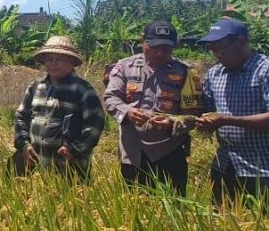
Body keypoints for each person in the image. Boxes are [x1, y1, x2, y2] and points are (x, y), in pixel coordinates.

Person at [104, 21, 202, 195]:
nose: (160, 52)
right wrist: (128, 111)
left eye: (166, 48)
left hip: (170, 152)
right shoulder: (124, 67)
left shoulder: (186, 73)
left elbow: (194, 112)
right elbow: (111, 98)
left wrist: (171, 122)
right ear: (142, 40)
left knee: (174, 207)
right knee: (133, 207)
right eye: (154, 46)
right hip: (132, 152)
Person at [195, 18, 269, 207]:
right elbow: (207, 112)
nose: (216, 54)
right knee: (224, 228)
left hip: (260, 169)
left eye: (220, 47)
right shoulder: (214, 74)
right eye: (212, 49)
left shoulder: (264, 70)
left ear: (241, 41)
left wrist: (227, 120)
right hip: (224, 165)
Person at [13, 36, 106, 180]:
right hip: (35, 166)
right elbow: (21, 117)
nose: (54, 64)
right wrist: (23, 145)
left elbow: (95, 124)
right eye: (49, 59)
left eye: (59, 59)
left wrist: (75, 149)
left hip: (69, 167)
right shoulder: (36, 86)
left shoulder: (82, 89)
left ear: (71, 62)